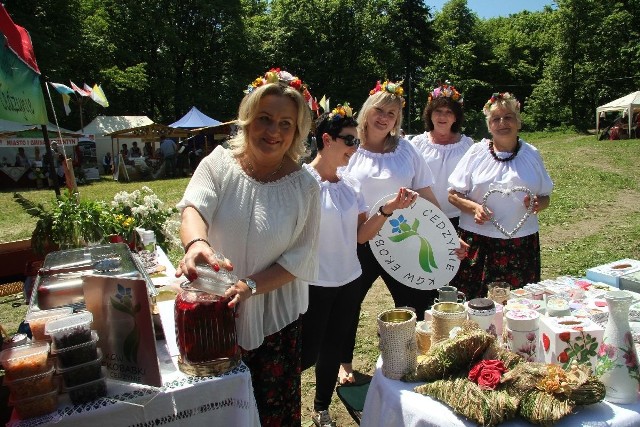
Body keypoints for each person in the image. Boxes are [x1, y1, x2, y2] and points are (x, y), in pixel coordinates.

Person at [175, 68, 320, 426]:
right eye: (265, 119)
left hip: (274, 323)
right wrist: (195, 244)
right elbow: (194, 207)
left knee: (273, 414)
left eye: (286, 123)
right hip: (213, 314)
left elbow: (299, 259)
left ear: (297, 131)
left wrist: (250, 285)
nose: (274, 131)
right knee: (218, 413)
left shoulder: (306, 188)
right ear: (247, 119)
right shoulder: (218, 164)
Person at [339, 80, 467, 384]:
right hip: (359, 240)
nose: (384, 118)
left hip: (404, 238)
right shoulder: (349, 148)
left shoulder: (406, 150)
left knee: (417, 300)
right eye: (380, 110)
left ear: (398, 120)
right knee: (348, 303)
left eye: (392, 114)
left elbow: (426, 195)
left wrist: (448, 235)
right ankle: (344, 363)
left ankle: (419, 356)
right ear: (367, 111)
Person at [300, 104, 416, 426]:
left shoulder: (350, 184)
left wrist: (389, 208)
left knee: (333, 348)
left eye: (355, 140)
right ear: (327, 139)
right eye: (349, 140)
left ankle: (321, 408)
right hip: (314, 281)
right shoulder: (302, 182)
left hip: (348, 278)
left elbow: (361, 236)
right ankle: (277, 402)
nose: (355, 147)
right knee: (305, 352)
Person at [448, 92, 553, 299]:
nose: (502, 123)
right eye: (496, 119)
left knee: (518, 304)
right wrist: (474, 208)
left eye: (508, 117)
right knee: (475, 303)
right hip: (478, 242)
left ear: (518, 122)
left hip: (521, 244)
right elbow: (452, 195)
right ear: (489, 126)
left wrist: (538, 203)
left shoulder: (531, 154)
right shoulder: (477, 152)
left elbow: (546, 196)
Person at [412, 83, 473, 229]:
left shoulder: (467, 145)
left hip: (461, 216)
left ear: (455, 117)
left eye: (448, 112)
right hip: (424, 217)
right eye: (438, 111)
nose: (442, 116)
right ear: (430, 114)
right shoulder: (417, 143)